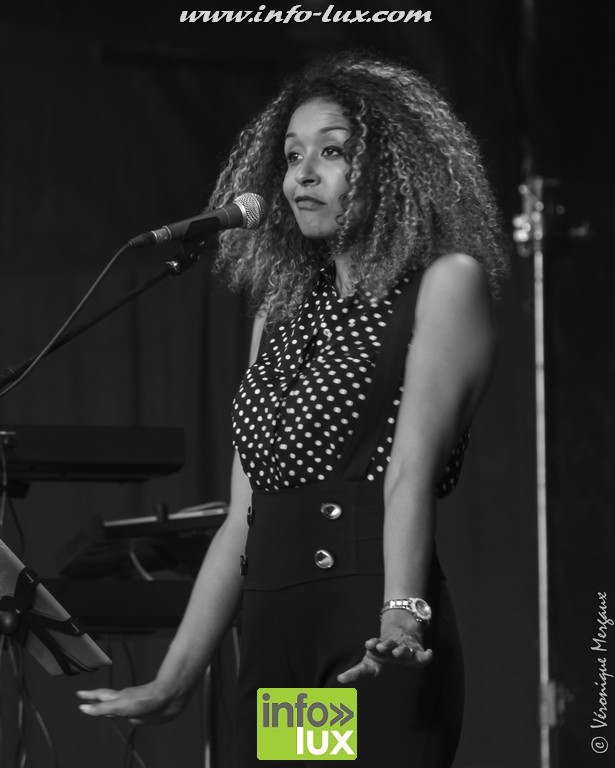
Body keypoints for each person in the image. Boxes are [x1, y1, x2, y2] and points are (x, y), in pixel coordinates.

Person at [77, 51, 508, 766]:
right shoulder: (278, 313)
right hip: (278, 638)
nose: (302, 174)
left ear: (392, 169)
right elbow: (243, 517)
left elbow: (409, 471)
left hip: (369, 636)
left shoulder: (442, 284)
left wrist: (402, 617)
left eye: (331, 152)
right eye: (291, 155)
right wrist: (175, 679)